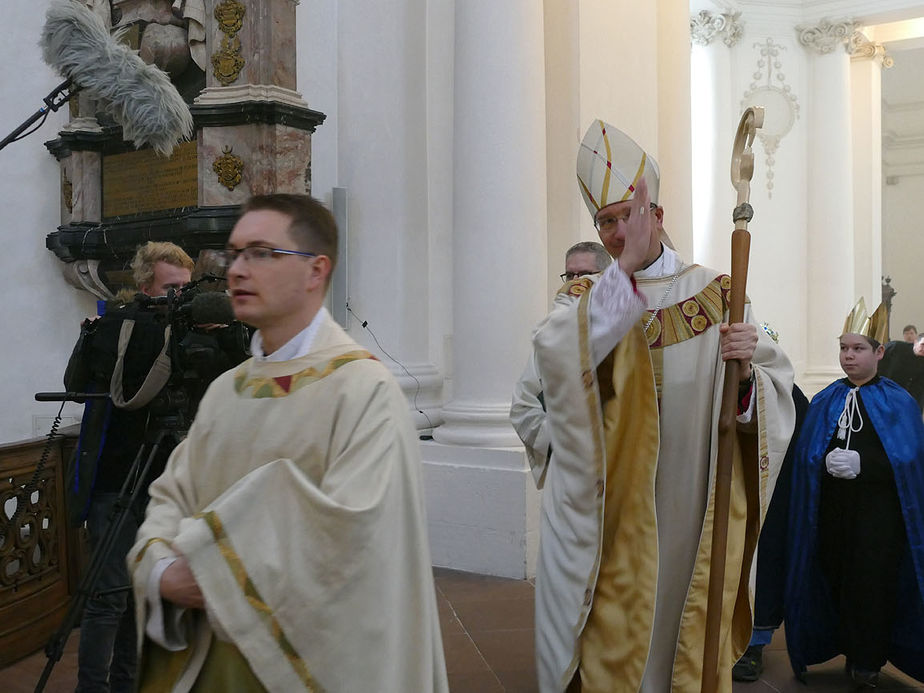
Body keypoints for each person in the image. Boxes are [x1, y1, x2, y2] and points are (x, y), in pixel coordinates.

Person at [512, 120, 795, 692]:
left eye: (627, 218)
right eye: (606, 222)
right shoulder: (586, 297)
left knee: (679, 635)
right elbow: (553, 361)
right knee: (613, 639)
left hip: (690, 501)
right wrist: (622, 274)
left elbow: (771, 385)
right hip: (612, 508)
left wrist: (747, 378)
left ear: (658, 217)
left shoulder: (719, 291)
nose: (618, 233)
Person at [128, 194, 448, 692]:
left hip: (307, 665)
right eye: (234, 254)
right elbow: (172, 496)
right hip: (213, 659)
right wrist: (162, 571)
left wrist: (212, 566)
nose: (236, 270)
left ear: (315, 270)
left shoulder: (365, 389)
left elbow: (354, 538)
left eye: (261, 252)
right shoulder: (227, 390)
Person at [65, 241, 194, 693]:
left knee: (144, 597)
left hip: (165, 485)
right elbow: (78, 385)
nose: (179, 299)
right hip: (115, 482)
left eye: (185, 289)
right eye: (170, 289)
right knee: (108, 598)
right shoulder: (115, 329)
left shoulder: (191, 334)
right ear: (145, 287)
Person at [784, 298, 924, 687]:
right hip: (834, 513)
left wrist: (868, 466)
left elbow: (909, 460)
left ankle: (868, 660)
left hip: (879, 520)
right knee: (839, 580)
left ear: (879, 352)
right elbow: (807, 455)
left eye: (858, 348)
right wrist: (820, 462)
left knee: (872, 586)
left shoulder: (898, 401)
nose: (849, 356)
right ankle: (847, 648)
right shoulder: (827, 398)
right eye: (844, 348)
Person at [512, 241, 611, 471]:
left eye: (585, 275)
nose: (575, 284)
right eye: (570, 276)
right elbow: (521, 406)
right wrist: (561, 438)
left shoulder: (627, 331)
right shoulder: (551, 337)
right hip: (569, 468)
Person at [877, 331, 924, 411]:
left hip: (900, 401)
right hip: (879, 392)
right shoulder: (895, 347)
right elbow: (874, 360)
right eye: (923, 345)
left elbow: (919, 390)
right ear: (915, 342)